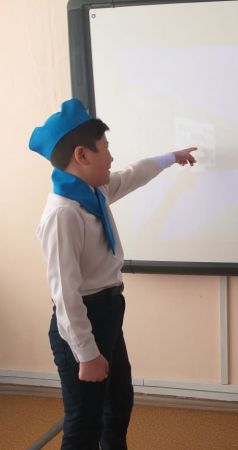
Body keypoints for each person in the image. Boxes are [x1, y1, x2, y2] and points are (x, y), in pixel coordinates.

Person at [29, 98, 197, 449]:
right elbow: (65, 296)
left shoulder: (94, 193)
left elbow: (134, 174)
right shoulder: (64, 214)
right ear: (82, 155)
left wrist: (171, 157)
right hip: (82, 320)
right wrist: (87, 354)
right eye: (105, 148)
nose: (111, 157)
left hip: (107, 311)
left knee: (118, 403)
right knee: (84, 423)